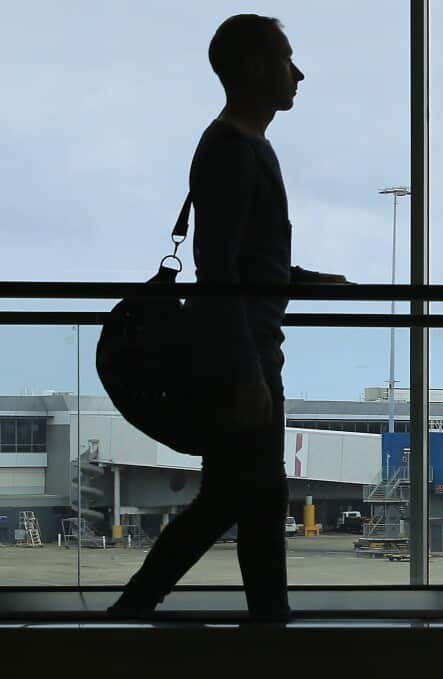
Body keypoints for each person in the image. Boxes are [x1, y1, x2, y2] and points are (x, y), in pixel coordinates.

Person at [107, 14, 346, 621]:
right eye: (287, 59)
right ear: (256, 68)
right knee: (248, 496)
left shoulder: (239, 146)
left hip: (244, 346)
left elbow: (239, 261)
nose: (299, 73)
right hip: (242, 351)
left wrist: (304, 280)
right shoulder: (234, 151)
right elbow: (220, 269)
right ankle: (242, 619)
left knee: (247, 496)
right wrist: (248, 373)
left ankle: (253, 618)